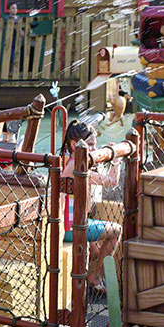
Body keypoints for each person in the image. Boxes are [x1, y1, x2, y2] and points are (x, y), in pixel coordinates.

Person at [60, 120, 122, 292]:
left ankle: (90, 277)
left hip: (73, 224)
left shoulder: (74, 161)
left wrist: (112, 160)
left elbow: (107, 180)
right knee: (116, 230)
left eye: (95, 145)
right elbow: (111, 182)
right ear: (74, 145)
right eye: (90, 145)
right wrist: (116, 160)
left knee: (96, 250)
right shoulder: (76, 164)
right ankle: (94, 276)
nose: (94, 150)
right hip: (71, 228)